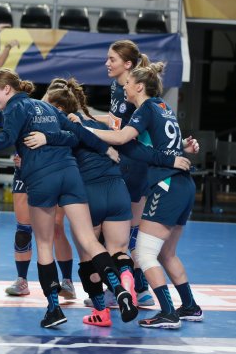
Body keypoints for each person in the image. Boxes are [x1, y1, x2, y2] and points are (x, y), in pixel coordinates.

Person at [0, 69, 139, 328]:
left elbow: (7, 137)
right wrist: (106, 148)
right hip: (70, 174)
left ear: (7, 89)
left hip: (42, 178)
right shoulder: (46, 107)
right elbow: (77, 132)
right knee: (88, 240)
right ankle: (119, 290)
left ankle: (54, 309)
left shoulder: (15, 108)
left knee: (43, 244)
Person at [43, 77, 191, 327]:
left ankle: (103, 310)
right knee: (120, 252)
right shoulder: (105, 128)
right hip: (118, 190)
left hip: (89, 193)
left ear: (58, 109)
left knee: (88, 256)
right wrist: (177, 151)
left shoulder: (65, 130)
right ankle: (127, 284)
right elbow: (135, 146)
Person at [90, 62, 203, 329]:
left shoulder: (146, 108)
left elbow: (122, 138)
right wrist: (183, 148)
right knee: (167, 253)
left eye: (128, 84)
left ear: (139, 86)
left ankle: (168, 312)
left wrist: (87, 130)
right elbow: (161, 147)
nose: (124, 88)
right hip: (183, 184)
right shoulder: (164, 107)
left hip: (167, 185)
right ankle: (189, 306)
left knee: (143, 252)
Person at [99, 40, 155, 307]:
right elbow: (114, 122)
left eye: (112, 59)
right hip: (121, 163)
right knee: (124, 231)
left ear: (128, 64)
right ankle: (136, 288)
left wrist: (84, 129)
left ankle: (132, 288)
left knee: (124, 232)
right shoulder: (116, 87)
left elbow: (124, 134)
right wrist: (83, 116)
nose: (107, 63)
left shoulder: (137, 94)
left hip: (134, 165)